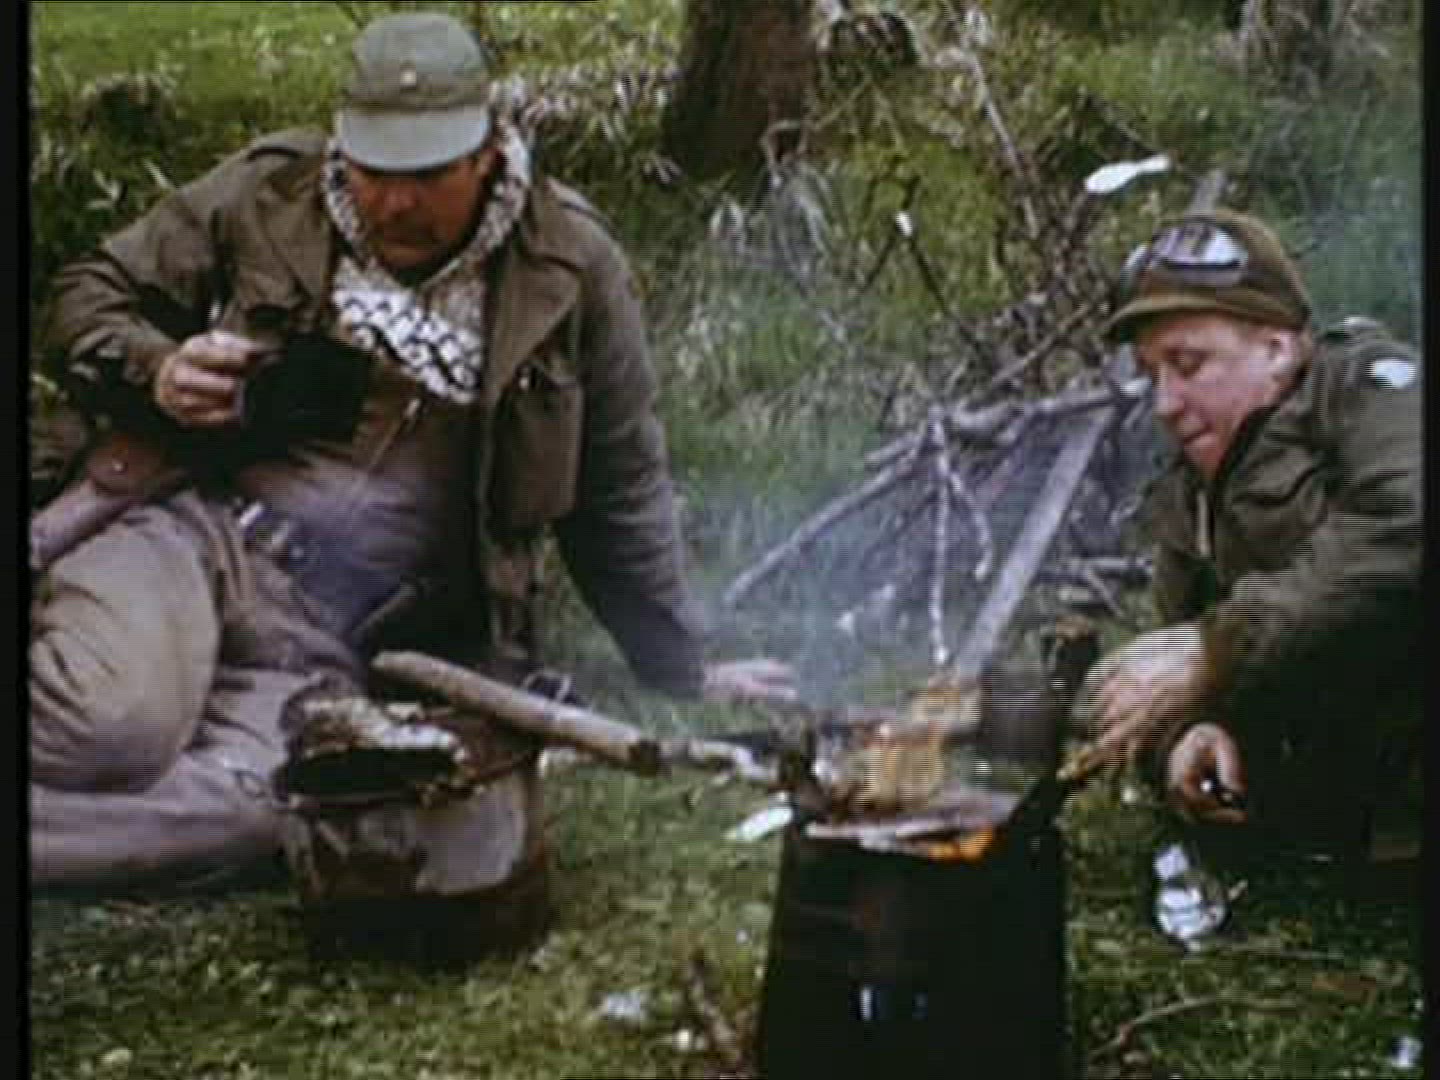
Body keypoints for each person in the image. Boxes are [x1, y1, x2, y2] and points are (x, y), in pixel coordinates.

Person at [31, 12, 795, 892]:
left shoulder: (570, 265)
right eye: (375, 173)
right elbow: (86, 292)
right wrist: (159, 369)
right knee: (110, 726)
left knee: (263, 813)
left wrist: (680, 667)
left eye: (429, 175)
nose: (396, 204)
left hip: (325, 647)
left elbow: (618, 486)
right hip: (193, 539)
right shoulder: (270, 194)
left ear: (488, 153)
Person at [1076, 207, 1420, 877]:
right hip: (1340, 840)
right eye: (1152, 372)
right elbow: (1182, 665)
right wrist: (1190, 737)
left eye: (1188, 363)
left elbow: (1409, 521)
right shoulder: (1189, 494)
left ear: (1277, 349)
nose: (1164, 402)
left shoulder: (1365, 388)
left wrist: (1216, 648)